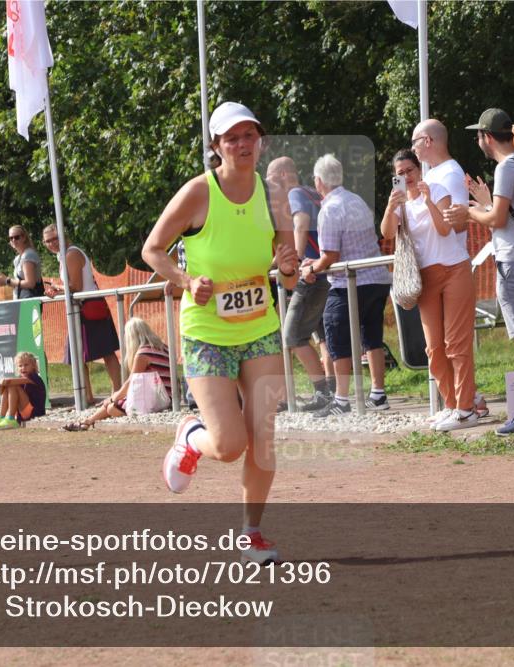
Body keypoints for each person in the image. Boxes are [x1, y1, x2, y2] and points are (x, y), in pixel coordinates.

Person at [141, 101, 299, 564]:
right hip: (207, 330)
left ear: (260, 141)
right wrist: (187, 281)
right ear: (216, 147)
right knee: (230, 445)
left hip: (259, 328)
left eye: (249, 135)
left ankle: (251, 533)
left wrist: (288, 267)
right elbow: (153, 249)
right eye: (232, 138)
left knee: (263, 435)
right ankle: (191, 436)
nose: (243, 144)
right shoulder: (197, 193)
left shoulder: (273, 196)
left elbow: (287, 274)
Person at [445, 108, 514, 434]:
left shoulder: (506, 168)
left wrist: (468, 213)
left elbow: (497, 220)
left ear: (487, 137)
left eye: (479, 135)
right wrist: (483, 206)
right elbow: (506, 214)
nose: (479, 140)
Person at [380, 142, 476, 431]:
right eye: (400, 173)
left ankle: (466, 407)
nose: (406, 176)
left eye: (410, 170)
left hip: (454, 268)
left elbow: (444, 228)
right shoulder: (401, 204)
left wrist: (429, 199)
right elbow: (386, 234)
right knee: (434, 347)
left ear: (419, 169)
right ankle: (450, 405)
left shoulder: (434, 189)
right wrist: (390, 206)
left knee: (456, 344)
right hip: (425, 277)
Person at [301, 153, 392, 417]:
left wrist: (310, 267)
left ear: (319, 182)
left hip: (349, 283)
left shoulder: (329, 208)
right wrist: (317, 261)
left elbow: (331, 256)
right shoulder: (357, 201)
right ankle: (378, 393)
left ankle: (341, 399)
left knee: (337, 336)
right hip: (377, 277)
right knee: (372, 336)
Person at [265, 156, 334, 412]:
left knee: (292, 336)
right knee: (323, 338)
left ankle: (323, 394)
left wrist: (289, 260)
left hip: (310, 272)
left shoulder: (294, 193)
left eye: (271, 181)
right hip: (325, 271)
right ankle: (334, 394)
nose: (269, 189)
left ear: (284, 175)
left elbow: (300, 224)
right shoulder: (312, 192)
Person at [41, 224, 122, 405]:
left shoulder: (71, 254)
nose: (52, 243)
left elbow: (75, 286)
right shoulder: (64, 255)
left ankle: (117, 394)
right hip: (83, 307)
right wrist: (59, 289)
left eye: (55, 238)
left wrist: (56, 288)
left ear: (63, 236)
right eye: (48, 241)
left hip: (89, 306)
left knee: (106, 352)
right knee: (78, 354)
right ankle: (88, 397)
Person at [63, 318, 171, 431]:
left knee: (112, 407)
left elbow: (131, 382)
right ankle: (88, 421)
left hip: (157, 398)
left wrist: (112, 398)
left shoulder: (142, 353)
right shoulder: (163, 347)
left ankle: (88, 421)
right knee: (113, 404)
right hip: (166, 395)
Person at [0, 351, 47, 430]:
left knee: (12, 386)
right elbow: (1, 392)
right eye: (20, 366)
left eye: (26, 365)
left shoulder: (34, 377)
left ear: (33, 366)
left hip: (34, 413)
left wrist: (3, 382)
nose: (23, 368)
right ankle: (1, 417)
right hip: (23, 413)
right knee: (9, 386)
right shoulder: (20, 378)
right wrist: (1, 384)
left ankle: (11, 419)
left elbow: (9, 382)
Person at [0, 225, 44, 299]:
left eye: (17, 237)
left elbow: (30, 283)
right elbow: (19, 284)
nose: (13, 240)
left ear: (24, 238)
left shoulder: (28, 255)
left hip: (30, 301)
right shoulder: (17, 258)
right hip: (22, 301)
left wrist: (7, 281)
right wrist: (4, 282)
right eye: (11, 238)